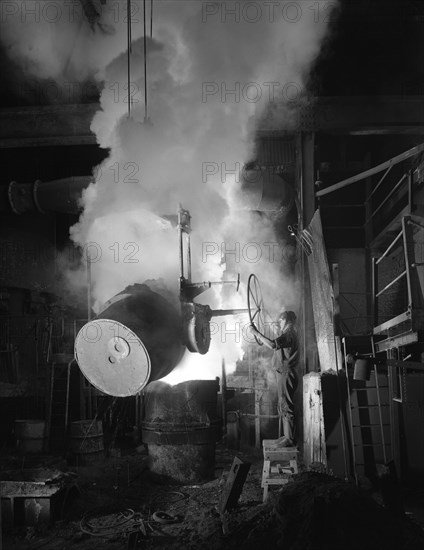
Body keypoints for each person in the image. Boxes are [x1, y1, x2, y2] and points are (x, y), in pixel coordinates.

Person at [251, 310, 299, 447]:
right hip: (283, 373)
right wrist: (272, 325)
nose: (279, 324)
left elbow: (273, 344)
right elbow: (278, 340)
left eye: (280, 321)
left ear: (286, 320)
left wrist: (256, 333)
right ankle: (287, 436)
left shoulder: (290, 334)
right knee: (283, 405)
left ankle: (290, 439)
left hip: (286, 373)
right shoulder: (288, 333)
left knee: (286, 406)